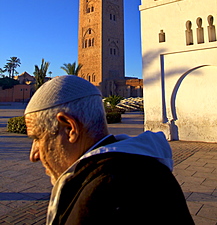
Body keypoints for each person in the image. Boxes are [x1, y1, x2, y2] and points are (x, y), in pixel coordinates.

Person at [25, 75, 194, 225]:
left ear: (70, 128)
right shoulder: (146, 168)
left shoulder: (102, 197)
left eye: (37, 138)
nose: (34, 155)